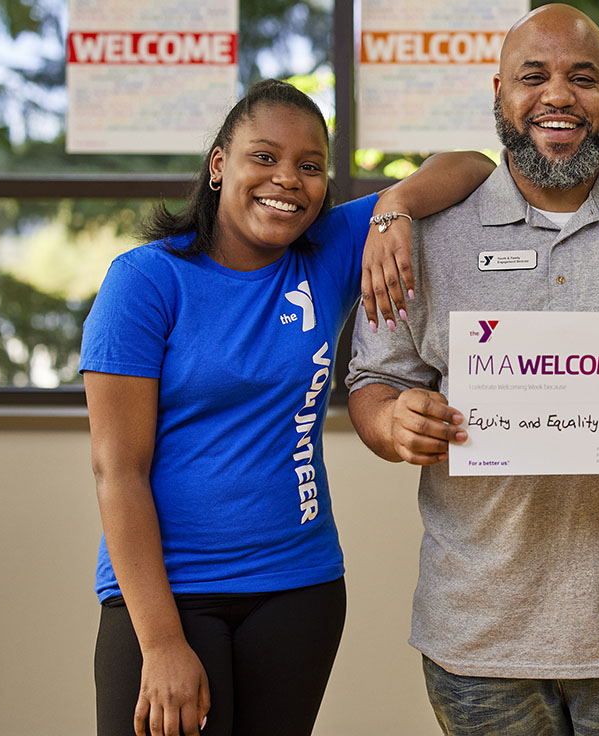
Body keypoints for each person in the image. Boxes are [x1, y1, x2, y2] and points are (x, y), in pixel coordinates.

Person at [345, 4, 599, 735]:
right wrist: (392, 421)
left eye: (583, 78)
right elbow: (375, 382)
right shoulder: (423, 234)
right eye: (533, 77)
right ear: (498, 94)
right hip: (479, 634)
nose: (558, 96)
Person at [81, 78, 493, 736]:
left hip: (298, 588)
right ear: (220, 166)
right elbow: (118, 473)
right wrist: (159, 645)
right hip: (168, 597)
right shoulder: (146, 281)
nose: (288, 180)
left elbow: (471, 166)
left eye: (310, 166)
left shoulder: (325, 254)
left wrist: (393, 208)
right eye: (264, 157)